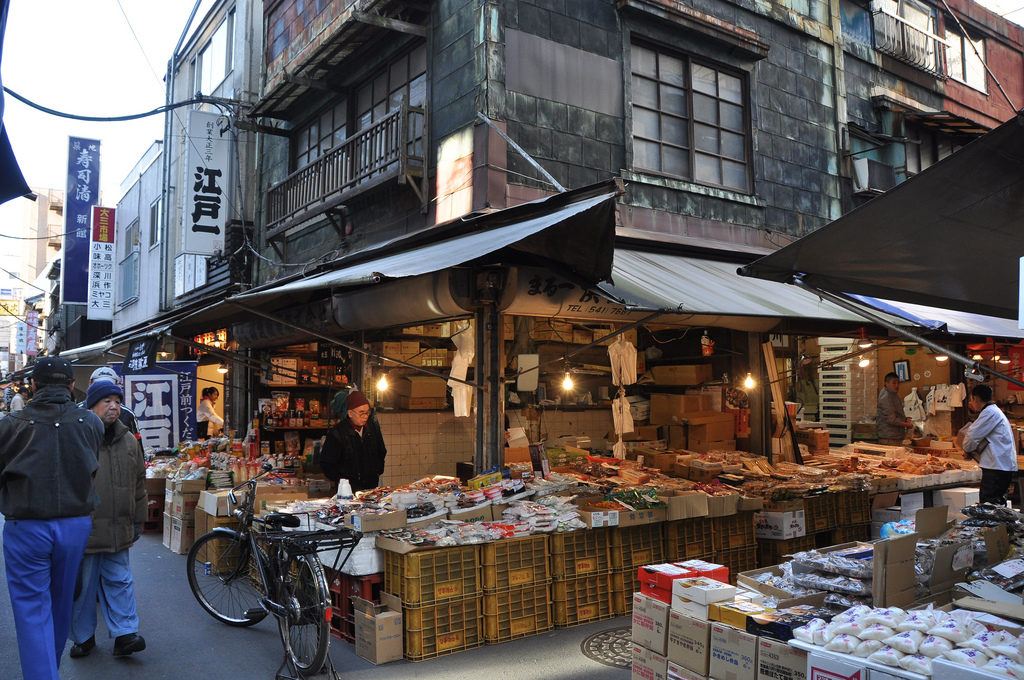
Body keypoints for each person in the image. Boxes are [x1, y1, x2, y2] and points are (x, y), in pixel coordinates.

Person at [0, 356, 103, 680]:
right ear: (72, 386)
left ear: (33, 386)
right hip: (75, 524)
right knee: (61, 603)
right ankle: (48, 670)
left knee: (32, 609)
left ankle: (43, 673)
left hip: (26, 524)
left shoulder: (10, 424)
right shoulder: (91, 423)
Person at [69, 380, 147, 659]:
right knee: (84, 588)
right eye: (106, 401)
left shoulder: (128, 439)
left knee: (121, 581)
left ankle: (126, 634)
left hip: (119, 527)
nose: (114, 406)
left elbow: (139, 481)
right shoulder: (76, 436)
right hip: (85, 529)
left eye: (117, 400)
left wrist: (139, 519)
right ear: (91, 406)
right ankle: (83, 637)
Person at [959, 383, 1017, 504]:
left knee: (989, 505)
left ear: (975, 398)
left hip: (996, 467)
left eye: (971, 399)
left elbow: (972, 436)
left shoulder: (990, 412)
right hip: (999, 466)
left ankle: (995, 523)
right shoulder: (993, 411)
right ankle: (999, 523)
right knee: (996, 504)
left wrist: (967, 449)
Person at [319, 390, 387, 492]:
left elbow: (381, 450)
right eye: (361, 413)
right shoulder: (337, 433)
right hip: (348, 489)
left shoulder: (372, 428)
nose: (365, 416)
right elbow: (327, 463)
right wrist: (342, 480)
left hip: (371, 486)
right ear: (350, 413)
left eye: (367, 412)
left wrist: (377, 471)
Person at [86, 367, 140, 436]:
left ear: (117, 385)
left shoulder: (127, 415)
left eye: (109, 384)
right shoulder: (78, 412)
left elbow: (136, 445)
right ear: (90, 384)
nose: (113, 407)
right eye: (99, 385)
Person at [876, 372, 914, 445]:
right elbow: (891, 419)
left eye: (898, 383)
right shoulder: (886, 397)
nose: (897, 385)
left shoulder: (892, 393)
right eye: (894, 383)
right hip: (889, 438)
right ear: (886, 383)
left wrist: (904, 419)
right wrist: (907, 425)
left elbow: (894, 413)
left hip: (895, 436)